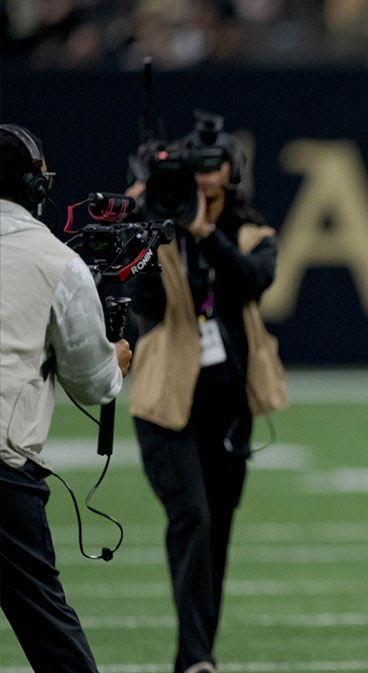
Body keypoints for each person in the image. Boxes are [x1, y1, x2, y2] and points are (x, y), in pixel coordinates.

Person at [127, 112, 284, 673]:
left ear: (231, 173)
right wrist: (149, 225)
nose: (206, 180)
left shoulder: (250, 231)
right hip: (165, 399)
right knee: (190, 515)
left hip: (227, 403)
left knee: (216, 530)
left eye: (215, 168)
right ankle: (197, 657)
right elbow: (143, 303)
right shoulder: (153, 224)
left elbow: (249, 281)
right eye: (197, 170)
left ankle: (196, 657)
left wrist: (202, 232)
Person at [0, 124, 133, 671]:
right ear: (35, 186)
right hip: (3, 473)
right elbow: (94, 382)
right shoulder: (55, 260)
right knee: (49, 631)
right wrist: (118, 355)